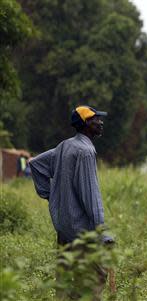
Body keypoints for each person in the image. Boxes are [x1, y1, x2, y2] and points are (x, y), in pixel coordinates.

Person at [29, 105, 113, 300]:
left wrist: (52, 196)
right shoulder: (85, 152)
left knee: (65, 281)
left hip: (64, 229)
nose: (100, 122)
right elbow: (91, 197)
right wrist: (102, 232)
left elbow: (35, 164)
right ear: (85, 124)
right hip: (82, 232)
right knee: (94, 278)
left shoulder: (63, 146)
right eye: (95, 119)